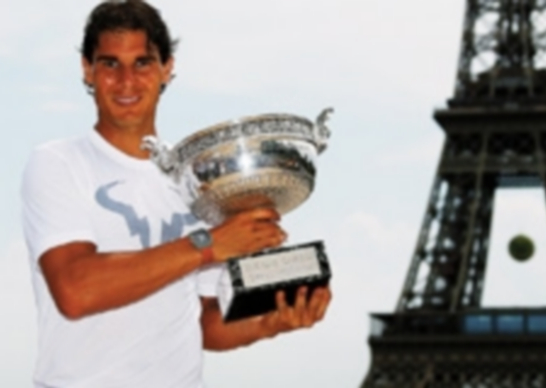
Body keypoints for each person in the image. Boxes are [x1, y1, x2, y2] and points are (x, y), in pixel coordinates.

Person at [20, 1, 331, 387]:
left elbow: (203, 322)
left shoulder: (198, 184)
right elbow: (75, 288)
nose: (127, 80)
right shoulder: (59, 163)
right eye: (110, 63)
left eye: (143, 62)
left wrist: (271, 322)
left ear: (167, 68)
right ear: (87, 69)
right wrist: (207, 245)